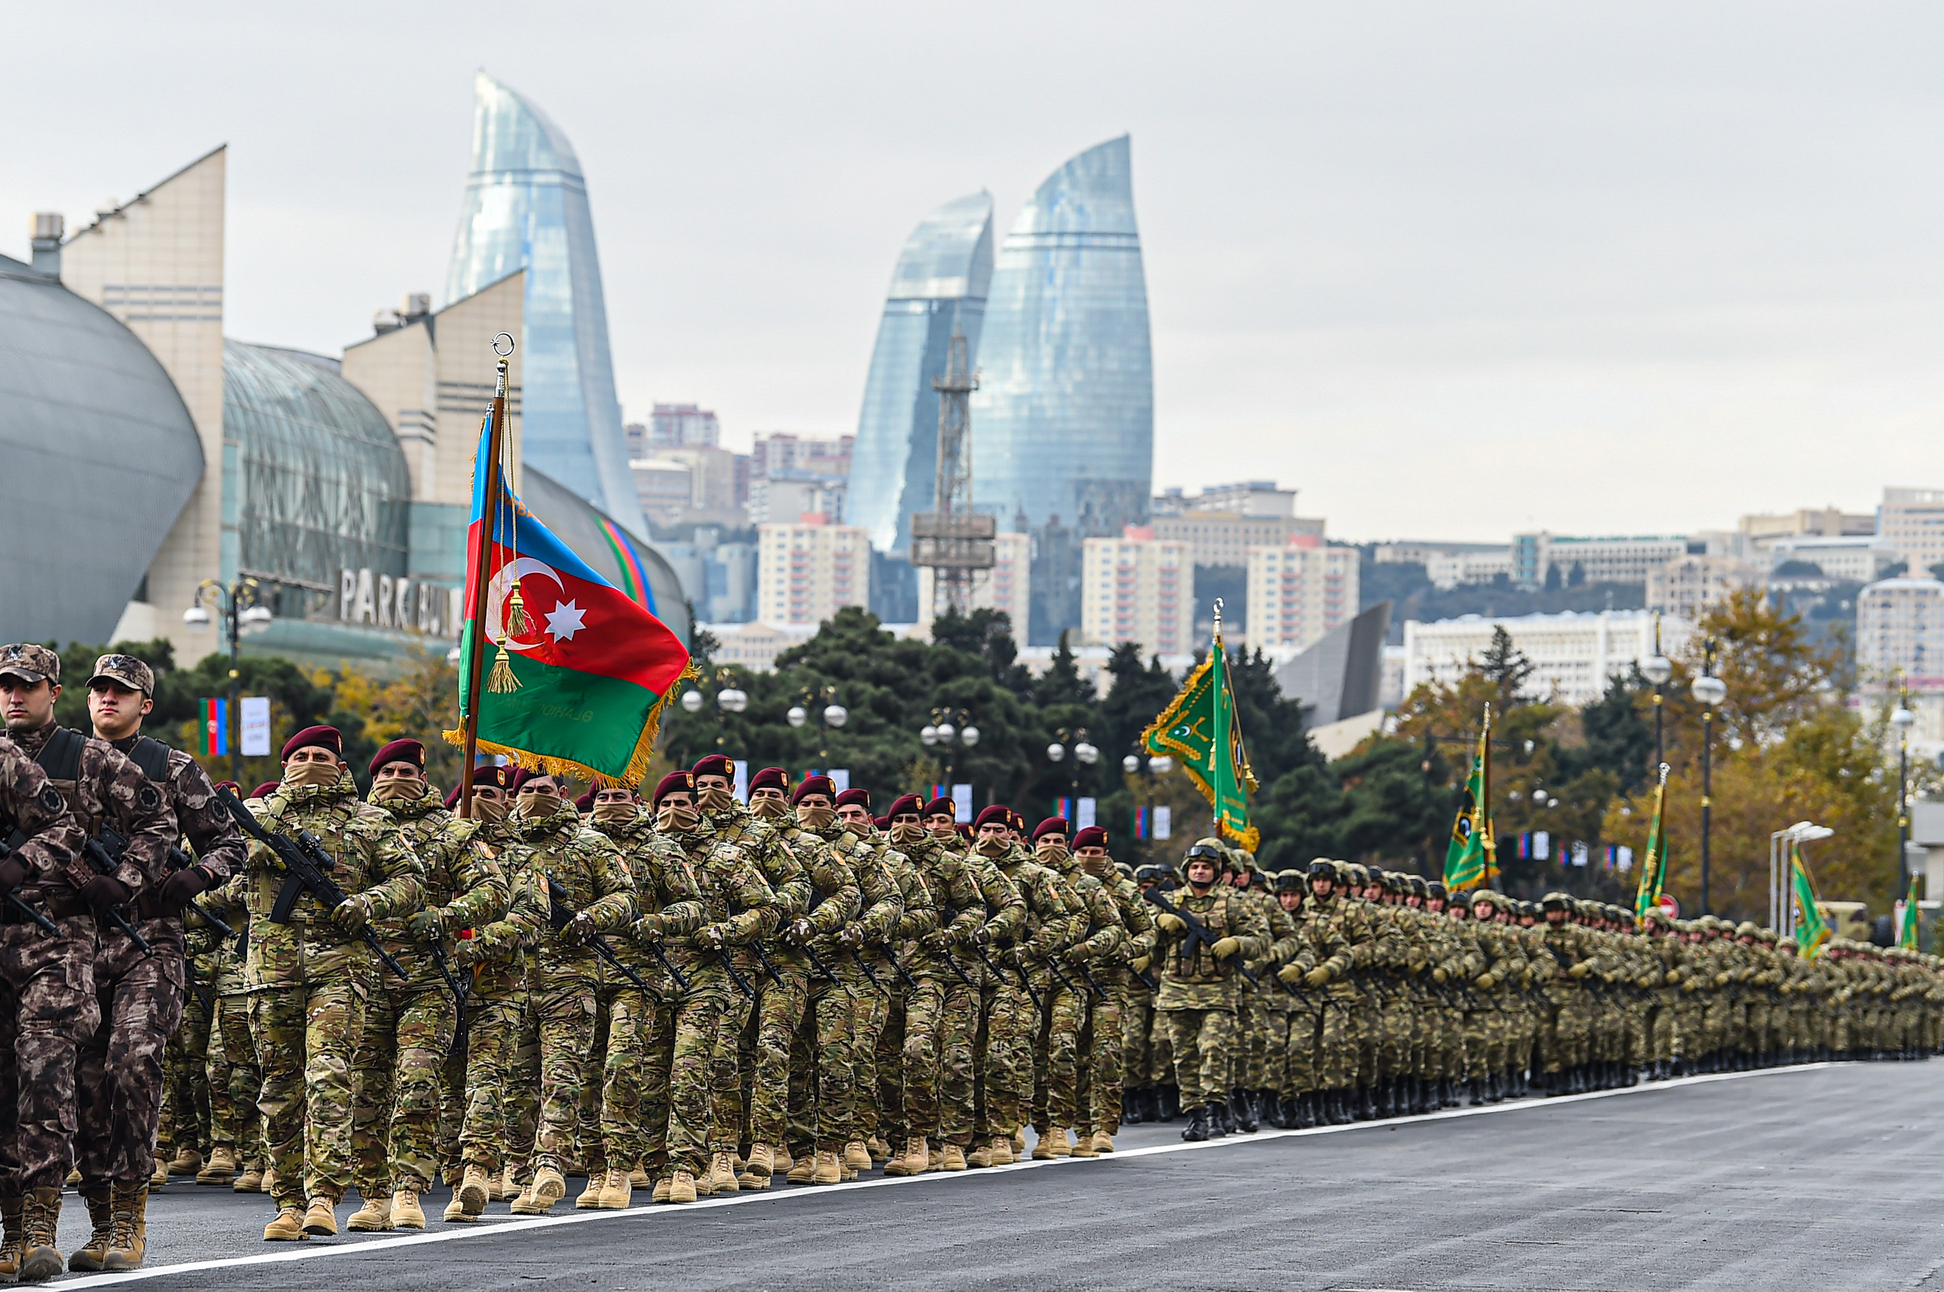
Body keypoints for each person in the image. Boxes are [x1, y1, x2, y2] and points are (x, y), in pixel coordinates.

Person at [0, 643, 179, 1277]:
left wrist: (129, 880)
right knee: (53, 1083)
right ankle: (19, 1231)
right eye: (5, 686)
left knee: (109, 1068)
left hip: (93, 940)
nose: (14, 696)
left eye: (27, 685)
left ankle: (104, 1218)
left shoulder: (91, 756)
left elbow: (161, 825)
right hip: (18, 937)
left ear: (51, 690)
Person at [70, 653, 244, 1272]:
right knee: (86, 1086)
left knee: (131, 1065)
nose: (107, 700)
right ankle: (98, 1223)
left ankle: (131, 1218)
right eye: (99, 691)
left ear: (144, 703)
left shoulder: (171, 767)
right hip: (73, 946)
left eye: (121, 692)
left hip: (151, 941)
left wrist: (196, 876)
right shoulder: (60, 768)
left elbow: (229, 842)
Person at [243, 726, 424, 1241]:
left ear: (342, 767)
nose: (311, 761)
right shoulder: (259, 817)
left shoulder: (370, 821)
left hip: (340, 968)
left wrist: (367, 904)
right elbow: (213, 863)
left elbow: (408, 880)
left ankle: (323, 1195)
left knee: (328, 1076)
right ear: (283, 766)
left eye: (321, 755)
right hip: (270, 972)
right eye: (301, 755)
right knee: (278, 1088)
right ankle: (287, 1201)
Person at [346, 739, 506, 1232]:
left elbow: (494, 890)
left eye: (405, 770)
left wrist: (445, 916)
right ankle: (372, 1193)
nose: (396, 778)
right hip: (362, 977)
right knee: (364, 1090)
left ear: (422, 775)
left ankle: (408, 1190)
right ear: (372, 779)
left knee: (417, 1083)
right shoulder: (352, 829)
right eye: (386, 770)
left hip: (428, 979)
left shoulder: (453, 831)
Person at [500, 769, 634, 1215]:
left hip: (569, 979)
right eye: (526, 791)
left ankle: (550, 1165)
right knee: (516, 1085)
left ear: (562, 794)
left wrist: (589, 918)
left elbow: (624, 896)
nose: (535, 798)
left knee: (562, 1078)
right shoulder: (498, 844)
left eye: (544, 791)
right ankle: (518, 1171)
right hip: (509, 982)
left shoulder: (591, 844)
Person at [1150, 839, 1269, 1142]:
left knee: (1214, 1049)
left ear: (1216, 871)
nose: (1200, 872)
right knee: (1184, 1055)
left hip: (1218, 990)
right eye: (1195, 867)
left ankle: (1217, 1109)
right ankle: (1195, 1115)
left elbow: (1261, 940)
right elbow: (1141, 932)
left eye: (1206, 867)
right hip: (1177, 990)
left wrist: (1237, 943)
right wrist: (1159, 921)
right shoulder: (1171, 900)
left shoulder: (1234, 902)